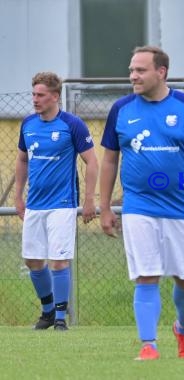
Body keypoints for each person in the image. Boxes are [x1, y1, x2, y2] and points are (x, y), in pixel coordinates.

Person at [99, 46, 184, 360]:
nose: (133, 76)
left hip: (183, 209)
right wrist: (103, 207)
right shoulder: (121, 109)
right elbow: (110, 160)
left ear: (161, 72)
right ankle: (149, 345)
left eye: (140, 70)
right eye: (131, 70)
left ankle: (182, 328)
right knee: (146, 274)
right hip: (139, 207)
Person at [14, 72, 99, 331]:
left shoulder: (72, 124)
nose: (35, 100)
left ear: (54, 96)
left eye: (40, 95)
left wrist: (88, 199)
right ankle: (48, 311)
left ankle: (61, 319)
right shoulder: (28, 124)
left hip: (62, 204)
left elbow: (92, 161)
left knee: (59, 261)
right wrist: (18, 196)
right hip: (34, 204)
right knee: (33, 261)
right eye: (33, 95)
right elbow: (22, 160)